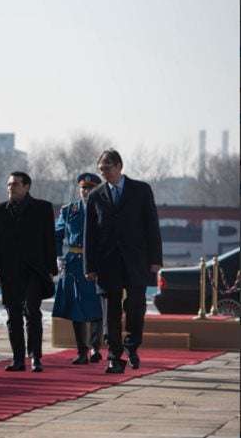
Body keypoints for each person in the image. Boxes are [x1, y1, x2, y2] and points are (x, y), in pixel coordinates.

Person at [84, 149, 162, 374]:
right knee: (111, 311)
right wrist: (90, 266)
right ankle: (115, 355)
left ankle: (132, 345)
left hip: (137, 260)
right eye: (101, 169)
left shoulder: (141, 190)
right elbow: (90, 234)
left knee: (136, 306)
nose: (104, 173)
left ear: (119, 166)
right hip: (108, 263)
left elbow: (151, 226)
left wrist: (155, 259)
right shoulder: (96, 195)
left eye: (107, 168)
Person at [0, 172, 57, 372]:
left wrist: (51, 269)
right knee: (13, 315)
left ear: (26, 187)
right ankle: (18, 359)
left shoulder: (42, 208)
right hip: (9, 273)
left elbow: (49, 241)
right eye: (9, 184)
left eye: (16, 184)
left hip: (34, 271)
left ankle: (35, 356)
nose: (11, 187)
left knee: (32, 312)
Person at [53, 173, 104, 364]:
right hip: (74, 262)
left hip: (95, 262)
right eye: (83, 188)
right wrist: (58, 256)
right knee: (76, 307)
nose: (86, 191)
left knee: (96, 306)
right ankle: (82, 351)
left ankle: (96, 347)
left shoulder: (103, 209)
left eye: (90, 188)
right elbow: (57, 235)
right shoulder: (69, 210)